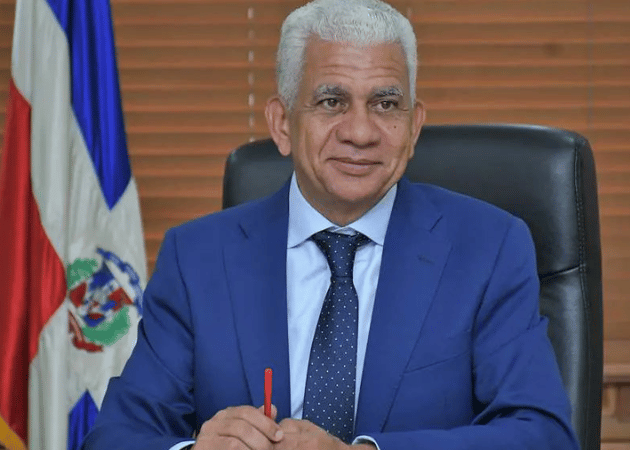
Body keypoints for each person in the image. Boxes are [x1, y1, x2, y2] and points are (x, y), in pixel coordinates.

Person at [82, 0, 579, 449]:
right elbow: (115, 438)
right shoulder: (197, 259)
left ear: (413, 128)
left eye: (386, 104)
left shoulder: (488, 249)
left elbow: (543, 435)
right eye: (331, 102)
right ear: (281, 124)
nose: (360, 132)